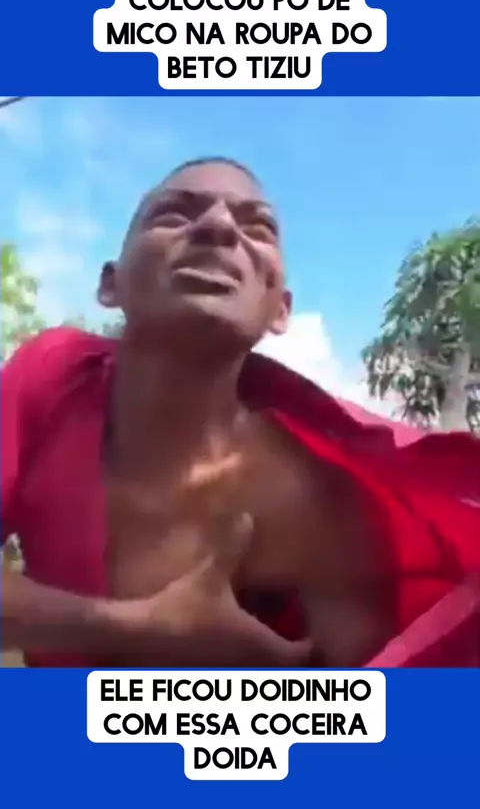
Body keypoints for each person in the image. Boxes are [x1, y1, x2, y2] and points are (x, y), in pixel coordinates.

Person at [2, 157, 479, 668]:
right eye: (174, 214)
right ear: (110, 285)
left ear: (280, 309)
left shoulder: (319, 501)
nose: (218, 226)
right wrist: (143, 627)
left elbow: (367, 701)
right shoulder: (50, 378)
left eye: (258, 227)